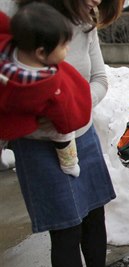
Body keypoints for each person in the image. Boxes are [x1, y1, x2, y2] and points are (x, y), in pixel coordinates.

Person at [9, 0, 129, 267]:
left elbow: (99, 79)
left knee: (94, 214)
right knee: (66, 227)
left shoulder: (85, 20)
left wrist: (70, 106)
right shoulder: (22, 16)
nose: (97, 2)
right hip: (38, 145)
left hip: (82, 133)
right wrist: (49, 118)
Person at [0, 2, 91, 178]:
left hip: (7, 119)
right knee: (62, 132)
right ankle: (69, 163)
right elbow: (65, 114)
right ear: (41, 53)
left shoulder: (6, 50)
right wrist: (68, 122)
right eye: (64, 46)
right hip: (35, 125)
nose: (68, 49)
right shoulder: (49, 83)